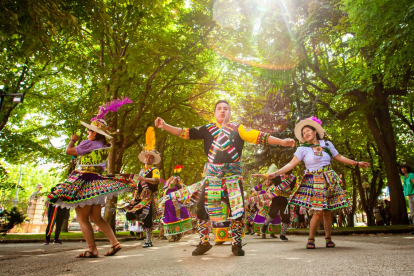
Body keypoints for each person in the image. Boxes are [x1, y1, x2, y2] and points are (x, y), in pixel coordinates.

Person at [155, 100, 295, 256]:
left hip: (232, 178)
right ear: (214, 113)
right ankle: (204, 242)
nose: (222, 111)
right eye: (219, 109)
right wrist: (165, 125)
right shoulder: (207, 129)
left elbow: (259, 136)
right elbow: (184, 132)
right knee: (202, 209)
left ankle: (236, 244)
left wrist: (282, 142)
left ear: (230, 113)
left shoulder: (239, 129)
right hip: (212, 178)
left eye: (226, 109)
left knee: (237, 210)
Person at [259, 116, 369, 249]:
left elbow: (339, 157)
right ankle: (311, 239)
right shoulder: (302, 149)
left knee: (328, 211)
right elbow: (291, 164)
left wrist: (356, 163)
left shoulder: (327, 144)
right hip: (314, 181)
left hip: (329, 180)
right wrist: (275, 174)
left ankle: (328, 238)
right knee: (317, 211)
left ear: (315, 131)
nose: (306, 134)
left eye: (308, 131)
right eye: (303, 133)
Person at [46, 98, 132, 257]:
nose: (87, 133)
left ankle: (92, 249)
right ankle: (114, 243)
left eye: (89, 131)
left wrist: (72, 140)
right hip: (97, 183)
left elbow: (69, 151)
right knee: (96, 217)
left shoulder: (88, 144)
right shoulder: (104, 146)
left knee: (82, 218)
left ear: (94, 133)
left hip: (85, 181)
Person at [124, 127, 161, 248]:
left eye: (151, 157)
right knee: (129, 214)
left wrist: (144, 179)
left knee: (148, 219)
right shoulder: (141, 170)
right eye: (147, 157)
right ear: (144, 158)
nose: (148, 158)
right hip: (140, 198)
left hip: (149, 198)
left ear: (153, 159)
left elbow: (156, 180)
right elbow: (138, 186)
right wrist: (134, 198)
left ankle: (148, 240)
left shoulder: (155, 170)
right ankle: (141, 231)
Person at [250, 166, 297, 241]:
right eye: (285, 174)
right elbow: (268, 175)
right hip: (276, 198)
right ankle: (265, 225)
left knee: (286, 217)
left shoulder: (293, 178)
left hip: (285, 199)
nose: (287, 176)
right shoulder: (277, 176)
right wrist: (257, 175)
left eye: (289, 174)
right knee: (272, 214)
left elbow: (291, 188)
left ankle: (283, 235)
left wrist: (286, 190)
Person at [159, 166, 192, 242]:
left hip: (172, 205)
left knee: (172, 220)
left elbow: (171, 184)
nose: (171, 179)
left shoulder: (173, 187)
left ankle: (176, 235)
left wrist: (175, 177)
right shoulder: (166, 188)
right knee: (170, 221)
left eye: (174, 180)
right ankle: (175, 236)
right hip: (168, 206)